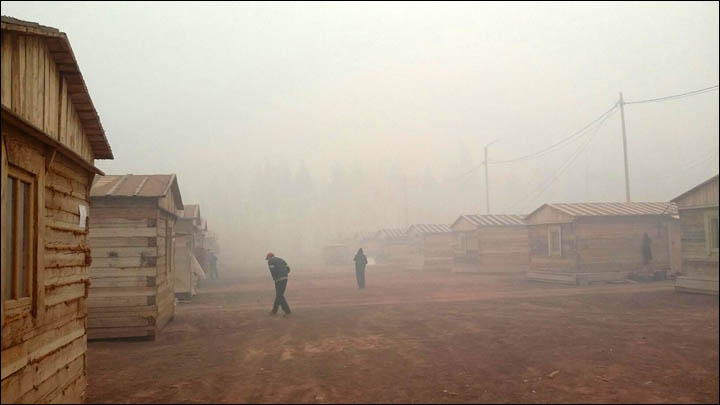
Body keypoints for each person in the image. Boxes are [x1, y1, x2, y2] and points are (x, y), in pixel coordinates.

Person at [266, 252, 291, 317]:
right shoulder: (281, 259)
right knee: (279, 295)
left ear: (269, 257)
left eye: (267, 259)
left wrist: (275, 278)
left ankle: (287, 311)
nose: (267, 260)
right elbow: (288, 269)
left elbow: (273, 271)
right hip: (285, 278)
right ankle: (274, 311)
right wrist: (284, 273)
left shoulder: (270, 261)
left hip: (279, 280)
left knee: (279, 295)